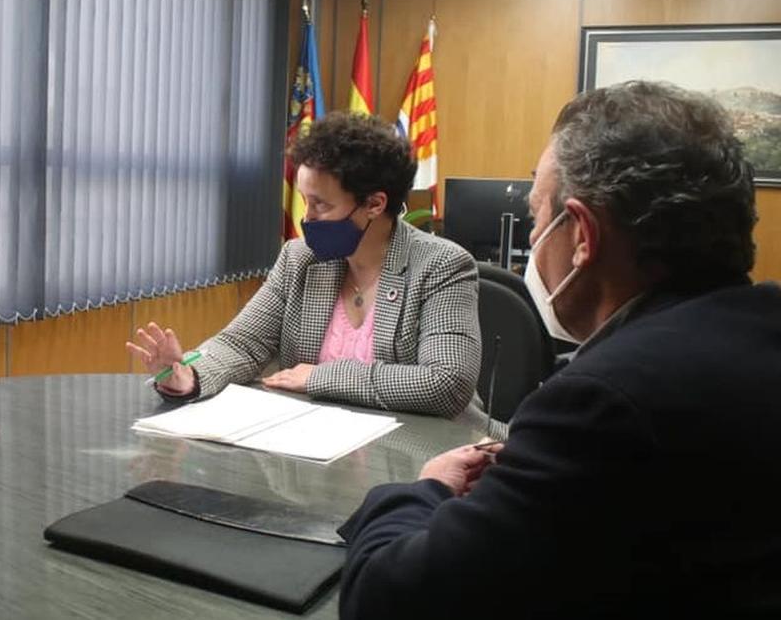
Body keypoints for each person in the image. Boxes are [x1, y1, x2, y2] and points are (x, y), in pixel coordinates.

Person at [338, 81, 781, 619]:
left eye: (536, 218)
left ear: (582, 237)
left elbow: (388, 599)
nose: (534, 235)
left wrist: (420, 490)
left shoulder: (602, 404)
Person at [126, 112, 482, 417]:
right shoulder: (300, 259)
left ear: (374, 204)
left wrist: (317, 377)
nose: (306, 218)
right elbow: (243, 344)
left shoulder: (441, 266)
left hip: (422, 456)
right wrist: (188, 375)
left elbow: (446, 382)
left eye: (320, 205)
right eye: (303, 202)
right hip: (317, 449)